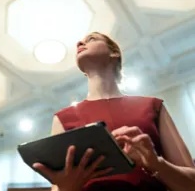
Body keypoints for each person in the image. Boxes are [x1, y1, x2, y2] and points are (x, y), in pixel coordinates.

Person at [33, 32, 195, 191]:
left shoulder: (152, 106)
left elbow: (191, 183)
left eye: (91, 39)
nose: (79, 44)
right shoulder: (62, 118)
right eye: (80, 43)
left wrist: (155, 164)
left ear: (114, 52)